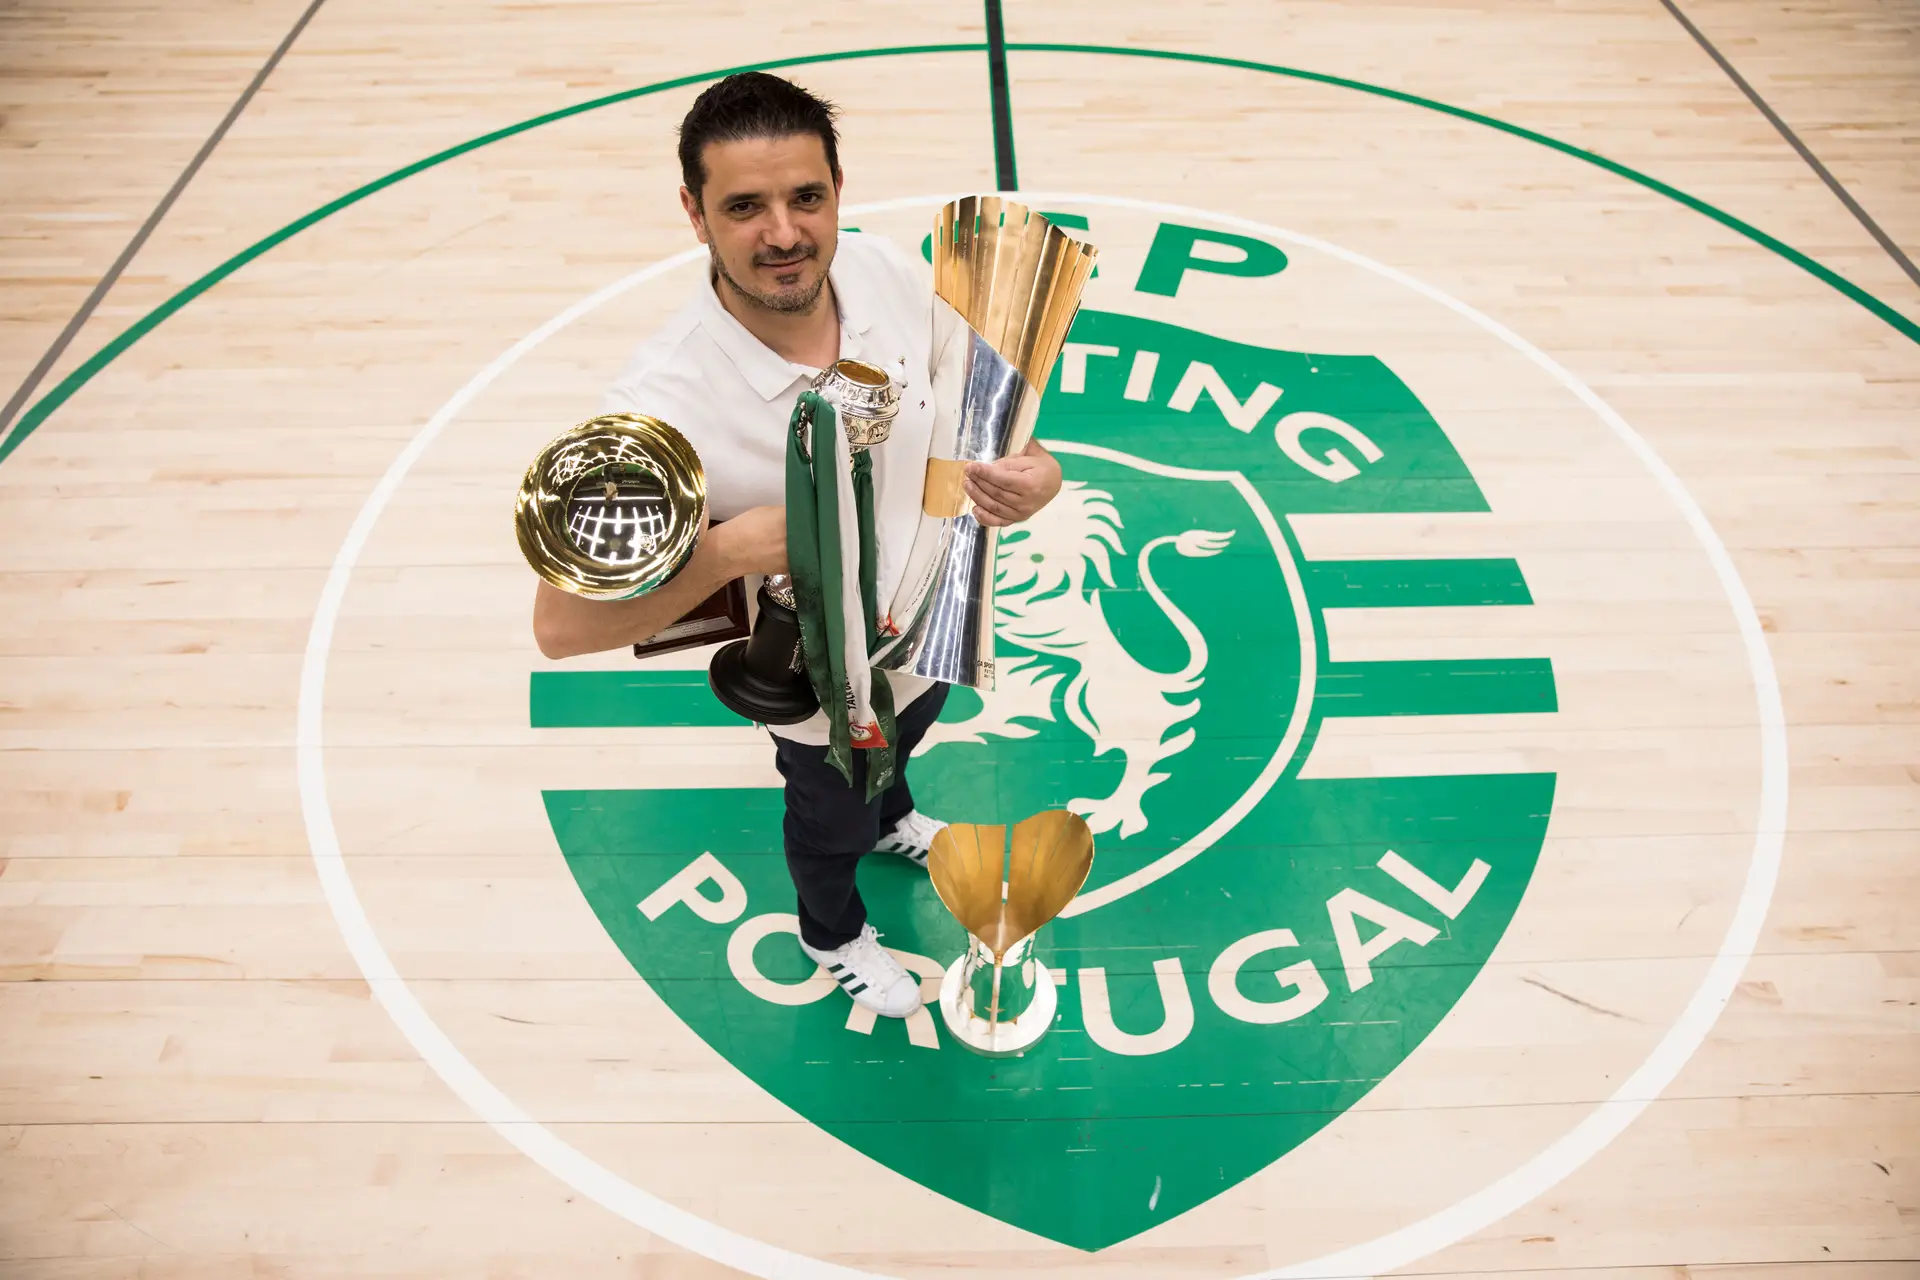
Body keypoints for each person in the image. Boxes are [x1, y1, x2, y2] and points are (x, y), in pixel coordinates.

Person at [531, 73, 1062, 1018]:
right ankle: (833, 932)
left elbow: (977, 407)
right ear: (694, 214)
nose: (783, 233)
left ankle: (896, 816)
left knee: (902, 757)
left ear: (837, 191)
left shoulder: (883, 271)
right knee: (829, 822)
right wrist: (733, 549)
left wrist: (1036, 472)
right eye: (745, 207)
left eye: (805, 197)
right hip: (824, 690)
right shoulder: (661, 404)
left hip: (932, 618)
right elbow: (562, 627)